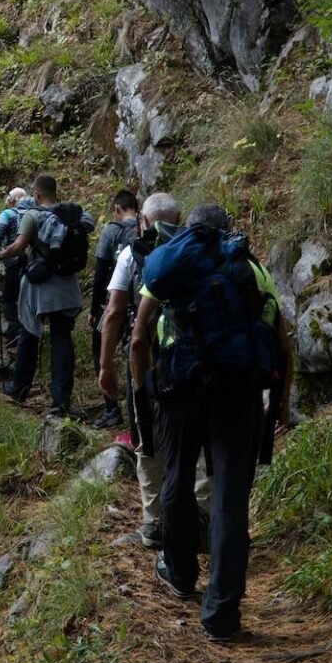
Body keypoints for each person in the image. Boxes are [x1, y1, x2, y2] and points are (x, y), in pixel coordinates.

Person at [130, 203, 292, 642]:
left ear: (189, 233)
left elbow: (140, 334)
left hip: (180, 389)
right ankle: (221, 613)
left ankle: (179, 573)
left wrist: (142, 389)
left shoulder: (172, 265)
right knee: (229, 498)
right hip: (239, 391)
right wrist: (281, 401)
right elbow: (281, 339)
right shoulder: (251, 268)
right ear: (227, 232)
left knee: (178, 479)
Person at [98, 192, 209, 549]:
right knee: (199, 440)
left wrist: (105, 365)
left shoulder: (132, 254)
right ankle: (203, 520)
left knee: (147, 438)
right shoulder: (201, 253)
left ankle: (155, 522)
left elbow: (114, 312)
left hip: (145, 361)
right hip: (194, 363)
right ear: (181, 217)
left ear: (142, 221)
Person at [0, 174, 94, 415]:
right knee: (62, 339)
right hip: (67, 286)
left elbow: (18, 247)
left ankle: (19, 389)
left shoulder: (33, 215)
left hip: (39, 286)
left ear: (37, 194)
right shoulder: (72, 214)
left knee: (30, 334)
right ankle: (61, 401)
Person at [89, 189, 140, 429]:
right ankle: (139, 414)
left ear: (118, 208)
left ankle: (112, 408)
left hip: (113, 301)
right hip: (140, 305)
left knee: (100, 350)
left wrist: (94, 309)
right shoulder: (145, 230)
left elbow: (100, 273)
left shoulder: (112, 230)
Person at [0, 187, 33, 348]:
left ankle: (15, 333)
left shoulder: (7, 215)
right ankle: (28, 333)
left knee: (9, 301)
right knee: (27, 299)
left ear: (11, 201)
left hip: (13, 261)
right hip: (32, 262)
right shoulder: (34, 213)